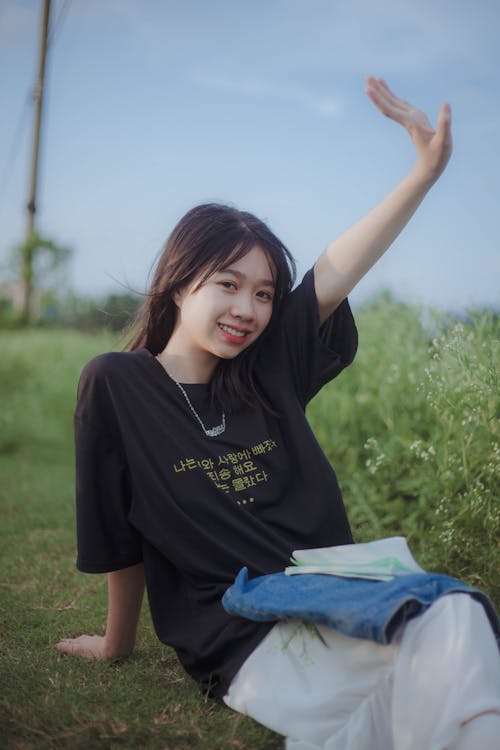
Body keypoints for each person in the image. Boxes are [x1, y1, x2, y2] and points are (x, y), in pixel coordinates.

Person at [56, 78, 500, 749]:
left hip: (342, 595)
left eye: (264, 294)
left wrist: (424, 174)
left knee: (458, 615)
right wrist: (117, 646)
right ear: (179, 283)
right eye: (227, 285)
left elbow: (336, 268)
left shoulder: (266, 371)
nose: (248, 309)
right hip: (242, 628)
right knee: (423, 675)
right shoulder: (117, 384)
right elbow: (118, 531)